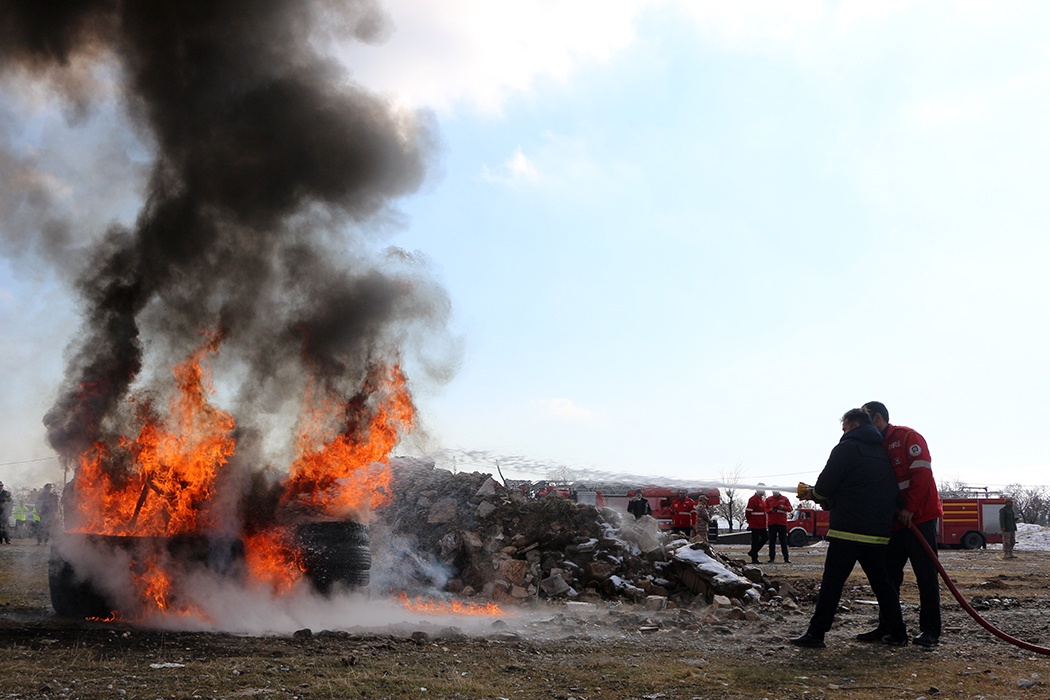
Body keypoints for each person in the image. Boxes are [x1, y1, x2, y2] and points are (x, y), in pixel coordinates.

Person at [790, 409, 906, 649]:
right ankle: (898, 632)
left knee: (832, 583)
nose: (842, 433)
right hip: (877, 533)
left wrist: (816, 494)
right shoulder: (881, 451)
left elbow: (825, 486)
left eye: (844, 429)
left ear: (853, 425)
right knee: (882, 583)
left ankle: (816, 633)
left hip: (848, 530)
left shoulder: (847, 448)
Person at [862, 401, 943, 648]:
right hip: (895, 522)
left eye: (864, 421)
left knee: (926, 576)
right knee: (888, 577)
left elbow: (922, 473)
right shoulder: (875, 446)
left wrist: (910, 508)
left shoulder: (908, 437)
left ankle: (930, 631)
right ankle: (888, 626)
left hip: (920, 517)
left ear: (877, 418)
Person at [765, 489, 792, 563]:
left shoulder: (784, 499)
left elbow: (790, 508)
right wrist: (771, 510)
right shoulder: (769, 499)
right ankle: (772, 558)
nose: (774, 493)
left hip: (782, 523)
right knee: (772, 541)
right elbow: (765, 509)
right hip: (772, 523)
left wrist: (782, 507)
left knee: (783, 541)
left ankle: (786, 558)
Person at [745, 484, 768, 564]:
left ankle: (753, 552)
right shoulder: (753, 499)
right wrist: (750, 521)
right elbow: (748, 512)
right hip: (755, 523)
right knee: (755, 540)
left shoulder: (761, 500)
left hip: (761, 524)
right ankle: (754, 557)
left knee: (765, 538)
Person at [1000, 495, 1018, 560]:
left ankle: (1010, 553)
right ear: (1007, 503)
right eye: (1011, 502)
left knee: (1012, 541)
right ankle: (1005, 554)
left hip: (1012, 528)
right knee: (1006, 541)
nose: (1012, 503)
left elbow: (1011, 519)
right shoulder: (1003, 510)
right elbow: (1002, 519)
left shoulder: (1011, 510)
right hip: (1006, 528)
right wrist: (1003, 527)